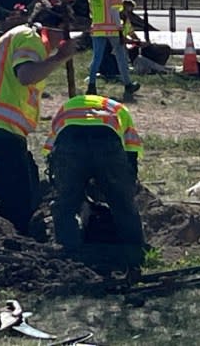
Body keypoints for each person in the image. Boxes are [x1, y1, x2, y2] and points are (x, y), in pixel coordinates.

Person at [0, 1, 78, 235]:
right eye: (63, 33)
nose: (63, 41)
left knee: (27, 185)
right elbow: (26, 75)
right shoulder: (30, 39)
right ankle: (15, 240)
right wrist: (60, 58)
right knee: (17, 197)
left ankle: (19, 233)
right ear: (52, 28)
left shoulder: (22, 38)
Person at [43, 94, 145, 257]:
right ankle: (133, 249)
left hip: (69, 141)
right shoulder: (120, 110)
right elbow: (131, 149)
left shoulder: (66, 108)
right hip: (107, 141)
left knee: (66, 205)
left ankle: (68, 251)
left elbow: (50, 150)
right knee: (122, 203)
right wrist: (127, 183)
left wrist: (63, 182)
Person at [86, 0, 139, 98]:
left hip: (97, 27)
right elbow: (114, 11)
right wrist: (120, 28)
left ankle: (91, 85)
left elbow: (92, 9)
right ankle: (128, 84)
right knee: (121, 56)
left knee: (97, 57)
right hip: (112, 28)